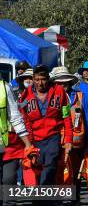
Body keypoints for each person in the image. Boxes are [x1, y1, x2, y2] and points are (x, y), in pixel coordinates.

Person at [19, 65, 72, 185]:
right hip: (35, 139)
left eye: (43, 79)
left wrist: (68, 139)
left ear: (48, 78)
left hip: (53, 136)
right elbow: (24, 119)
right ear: (33, 79)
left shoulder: (59, 91)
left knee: (50, 167)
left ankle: (45, 195)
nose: (40, 83)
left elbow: (66, 117)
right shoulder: (25, 95)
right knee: (36, 169)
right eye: (37, 79)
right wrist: (29, 142)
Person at [51, 66, 88, 205]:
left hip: (77, 142)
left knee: (76, 173)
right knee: (58, 171)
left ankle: (75, 198)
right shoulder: (50, 99)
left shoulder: (80, 96)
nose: (62, 85)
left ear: (70, 83)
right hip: (57, 142)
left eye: (65, 82)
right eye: (59, 83)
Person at [0, 65, 32, 198]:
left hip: (8, 145)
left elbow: (15, 116)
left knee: (8, 180)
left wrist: (27, 143)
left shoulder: (4, 88)